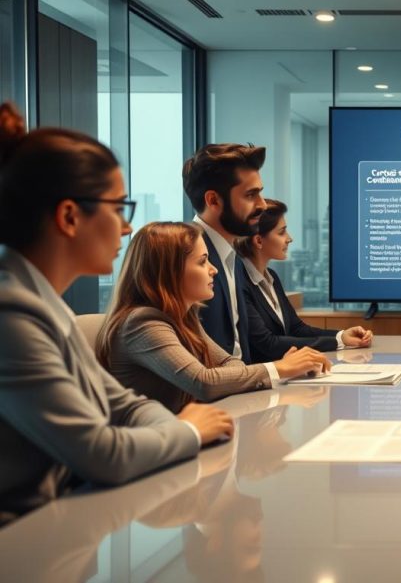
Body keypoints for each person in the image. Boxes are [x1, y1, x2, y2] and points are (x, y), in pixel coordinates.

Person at [0, 102, 232, 525]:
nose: (127, 228)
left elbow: (125, 407)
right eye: (118, 209)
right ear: (70, 216)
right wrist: (189, 430)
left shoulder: (44, 307)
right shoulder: (11, 316)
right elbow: (103, 455)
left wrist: (176, 429)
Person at [97, 222, 332, 413]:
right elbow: (204, 383)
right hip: (152, 454)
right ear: (168, 272)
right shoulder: (142, 324)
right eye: (202, 262)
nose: (214, 269)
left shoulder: (183, 317)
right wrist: (280, 368)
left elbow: (229, 363)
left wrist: (279, 368)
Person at [235, 199, 372, 362]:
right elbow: (267, 344)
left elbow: (296, 328)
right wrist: (337, 342)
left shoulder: (271, 276)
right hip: (265, 381)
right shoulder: (240, 283)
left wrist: (341, 335)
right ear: (258, 241)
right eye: (281, 232)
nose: (289, 238)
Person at [183, 143, 269, 364]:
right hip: (210, 394)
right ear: (213, 200)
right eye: (251, 195)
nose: (263, 205)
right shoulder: (182, 257)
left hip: (244, 390)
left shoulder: (234, 259)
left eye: (260, 193)